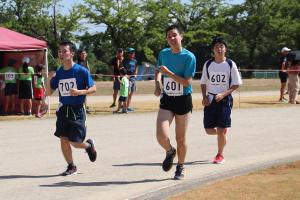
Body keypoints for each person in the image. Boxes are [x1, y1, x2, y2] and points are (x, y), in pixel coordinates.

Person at [46, 41, 97, 176]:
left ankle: (88, 146)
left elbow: (94, 88)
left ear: (72, 53)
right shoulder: (59, 72)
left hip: (77, 110)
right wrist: (48, 78)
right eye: (59, 51)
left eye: (64, 51)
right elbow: (48, 92)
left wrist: (80, 92)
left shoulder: (81, 71)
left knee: (75, 142)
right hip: (63, 110)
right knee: (63, 139)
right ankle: (71, 166)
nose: (61, 54)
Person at [154, 24, 196, 180]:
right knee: (160, 135)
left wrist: (169, 73)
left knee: (181, 138)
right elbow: (158, 71)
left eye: (174, 35)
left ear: (181, 36)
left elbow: (187, 82)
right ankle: (170, 151)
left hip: (183, 100)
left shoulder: (189, 57)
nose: (171, 38)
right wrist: (157, 84)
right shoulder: (164, 53)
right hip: (167, 98)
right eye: (168, 36)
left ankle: (180, 166)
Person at [200, 36, 242, 164]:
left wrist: (223, 94)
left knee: (220, 130)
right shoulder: (208, 64)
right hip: (211, 99)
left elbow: (236, 84)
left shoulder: (230, 64)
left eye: (221, 46)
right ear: (213, 49)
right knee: (208, 130)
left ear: (226, 49)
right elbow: (203, 82)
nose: (219, 48)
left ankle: (219, 154)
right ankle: (222, 133)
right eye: (216, 46)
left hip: (224, 100)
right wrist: (204, 96)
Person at [77, 49, 92, 113]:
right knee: (81, 94)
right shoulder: (78, 62)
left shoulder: (86, 61)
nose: (83, 55)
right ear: (80, 55)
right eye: (82, 53)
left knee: (85, 94)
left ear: (86, 54)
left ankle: (85, 107)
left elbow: (88, 70)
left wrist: (89, 77)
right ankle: (82, 107)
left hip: (86, 80)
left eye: (84, 53)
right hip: (80, 81)